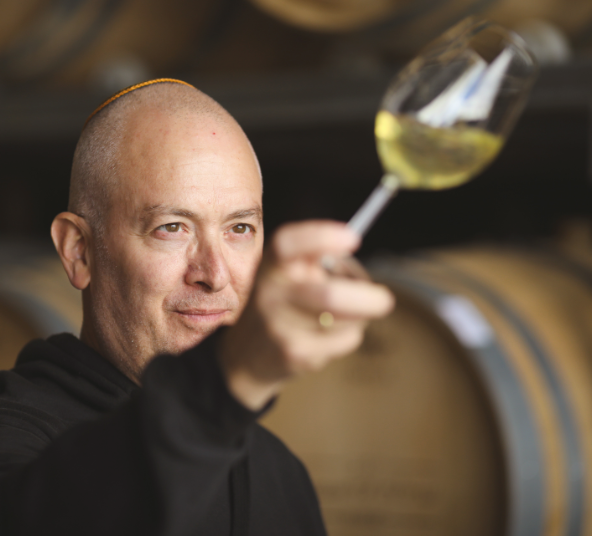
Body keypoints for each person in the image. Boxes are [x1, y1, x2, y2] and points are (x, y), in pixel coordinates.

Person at [0, 79, 395, 535]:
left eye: (240, 229)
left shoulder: (280, 473)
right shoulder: (16, 435)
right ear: (79, 252)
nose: (214, 274)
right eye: (172, 227)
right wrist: (231, 376)